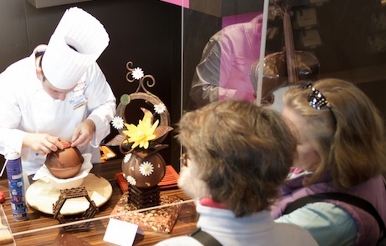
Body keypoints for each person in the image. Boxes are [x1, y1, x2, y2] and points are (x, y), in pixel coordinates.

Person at [157, 100, 316, 246]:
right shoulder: (301, 238)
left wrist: (203, 195)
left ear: (207, 175)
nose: (187, 166)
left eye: (189, 158)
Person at [0, 7, 115, 175]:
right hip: (35, 170)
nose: (62, 98)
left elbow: (106, 103)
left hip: (84, 164)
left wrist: (91, 124)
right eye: (55, 91)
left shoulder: (87, 69)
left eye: (69, 91)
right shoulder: (12, 79)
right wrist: (28, 139)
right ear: (39, 73)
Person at [271, 78, 386, 246]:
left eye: (293, 139)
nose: (278, 141)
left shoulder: (326, 219)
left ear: (329, 153)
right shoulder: (357, 160)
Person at [189, 14, 287, 108]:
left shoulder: (285, 40)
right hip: (226, 119)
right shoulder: (228, 39)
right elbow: (200, 91)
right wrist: (243, 97)